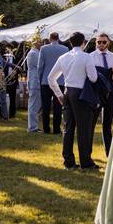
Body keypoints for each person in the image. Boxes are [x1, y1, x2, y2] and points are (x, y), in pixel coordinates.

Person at [47, 31, 99, 170]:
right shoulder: (86, 57)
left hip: (67, 92)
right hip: (81, 93)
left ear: (70, 43)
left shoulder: (63, 57)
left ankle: (68, 162)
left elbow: (50, 78)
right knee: (84, 128)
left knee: (68, 128)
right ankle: (85, 162)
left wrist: (58, 94)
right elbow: (93, 78)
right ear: (83, 43)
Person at [91, 32, 113, 156]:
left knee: (107, 124)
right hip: (96, 92)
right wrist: (109, 71)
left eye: (104, 42)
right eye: (99, 42)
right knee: (91, 123)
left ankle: (109, 152)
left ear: (108, 42)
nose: (101, 44)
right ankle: (87, 152)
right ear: (95, 42)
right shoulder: (90, 56)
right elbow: (93, 75)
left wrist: (104, 72)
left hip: (110, 92)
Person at [38, 33, 69, 134]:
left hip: (45, 81)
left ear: (50, 38)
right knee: (58, 106)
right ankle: (56, 129)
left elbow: (40, 66)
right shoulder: (65, 49)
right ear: (58, 38)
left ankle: (46, 129)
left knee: (46, 106)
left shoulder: (43, 49)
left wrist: (40, 78)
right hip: (60, 81)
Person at [26, 40, 42, 133]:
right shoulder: (33, 53)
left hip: (35, 81)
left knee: (35, 105)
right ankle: (32, 127)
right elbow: (39, 65)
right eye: (39, 42)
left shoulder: (36, 52)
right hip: (35, 81)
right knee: (33, 105)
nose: (41, 44)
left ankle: (34, 126)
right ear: (34, 43)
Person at [3, 49, 17, 119]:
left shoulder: (15, 58)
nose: (9, 52)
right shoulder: (3, 58)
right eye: (7, 51)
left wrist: (15, 73)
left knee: (12, 97)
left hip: (13, 80)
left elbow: (19, 68)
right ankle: (2, 114)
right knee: (3, 97)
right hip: (4, 79)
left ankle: (12, 113)